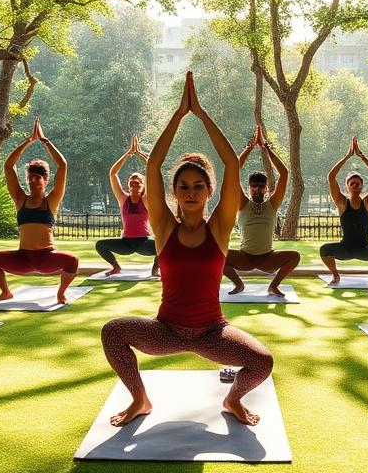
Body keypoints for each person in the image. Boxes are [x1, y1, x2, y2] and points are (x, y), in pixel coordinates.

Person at [101, 72, 274, 427]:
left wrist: (202, 113)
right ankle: (140, 400)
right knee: (112, 331)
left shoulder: (220, 228)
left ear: (209, 191)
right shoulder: (164, 227)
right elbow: (152, 166)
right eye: (183, 186)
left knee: (263, 361)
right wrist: (179, 115)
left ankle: (232, 400)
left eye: (198, 186)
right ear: (174, 192)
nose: (191, 191)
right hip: (166, 330)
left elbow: (231, 164)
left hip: (214, 332)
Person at [0, 119, 77, 303]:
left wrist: (44, 140)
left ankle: (61, 292)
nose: (32, 181)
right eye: (30, 178)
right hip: (22, 257)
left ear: (46, 181)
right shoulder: (20, 198)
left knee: (73, 261)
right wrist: (28, 141)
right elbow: (9, 166)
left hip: (46, 257)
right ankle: (6, 292)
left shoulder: (52, 201)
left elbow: (62, 165)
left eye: (37, 178)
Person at [223, 125, 299, 296]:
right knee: (216, 255)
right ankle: (238, 284)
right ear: (249, 188)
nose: (257, 189)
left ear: (266, 188)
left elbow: (284, 173)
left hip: (267, 258)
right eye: (254, 186)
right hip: (245, 257)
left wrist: (266, 148)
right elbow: (233, 170)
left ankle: (273, 285)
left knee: (294, 256)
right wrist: (249, 148)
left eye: (261, 186)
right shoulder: (242, 203)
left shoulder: (272, 204)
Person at [320, 137, 368, 283]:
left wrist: (362, 156)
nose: (355, 185)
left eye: (358, 183)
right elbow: (331, 176)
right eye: (352, 183)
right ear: (347, 187)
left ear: (361, 186)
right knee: (324, 250)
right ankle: (335, 275)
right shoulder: (342, 203)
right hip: (345, 249)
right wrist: (347, 157)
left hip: (364, 249)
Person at [95, 135, 159, 277]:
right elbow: (113, 173)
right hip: (126, 243)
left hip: (144, 241)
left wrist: (140, 155)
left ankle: (155, 269)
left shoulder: (146, 200)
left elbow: (152, 171)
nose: (133, 184)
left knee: (166, 244)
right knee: (100, 244)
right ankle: (115, 267)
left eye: (137, 182)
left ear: (143, 186)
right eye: (131, 182)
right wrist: (128, 154)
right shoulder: (123, 198)